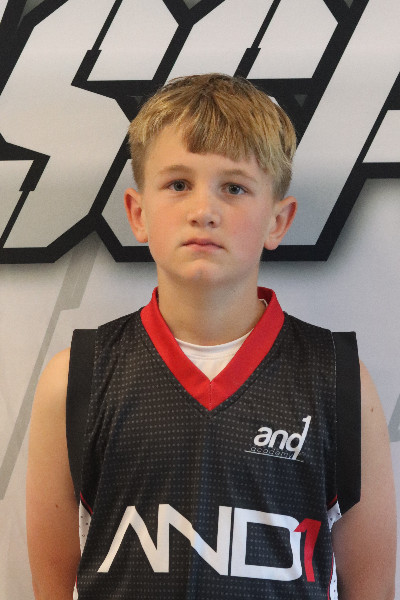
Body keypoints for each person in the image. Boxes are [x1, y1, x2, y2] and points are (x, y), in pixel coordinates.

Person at [26, 74, 396, 600]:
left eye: (234, 187)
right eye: (179, 184)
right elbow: (51, 588)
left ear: (278, 220)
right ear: (137, 214)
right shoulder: (75, 379)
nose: (204, 210)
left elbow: (373, 587)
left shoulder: (337, 379)